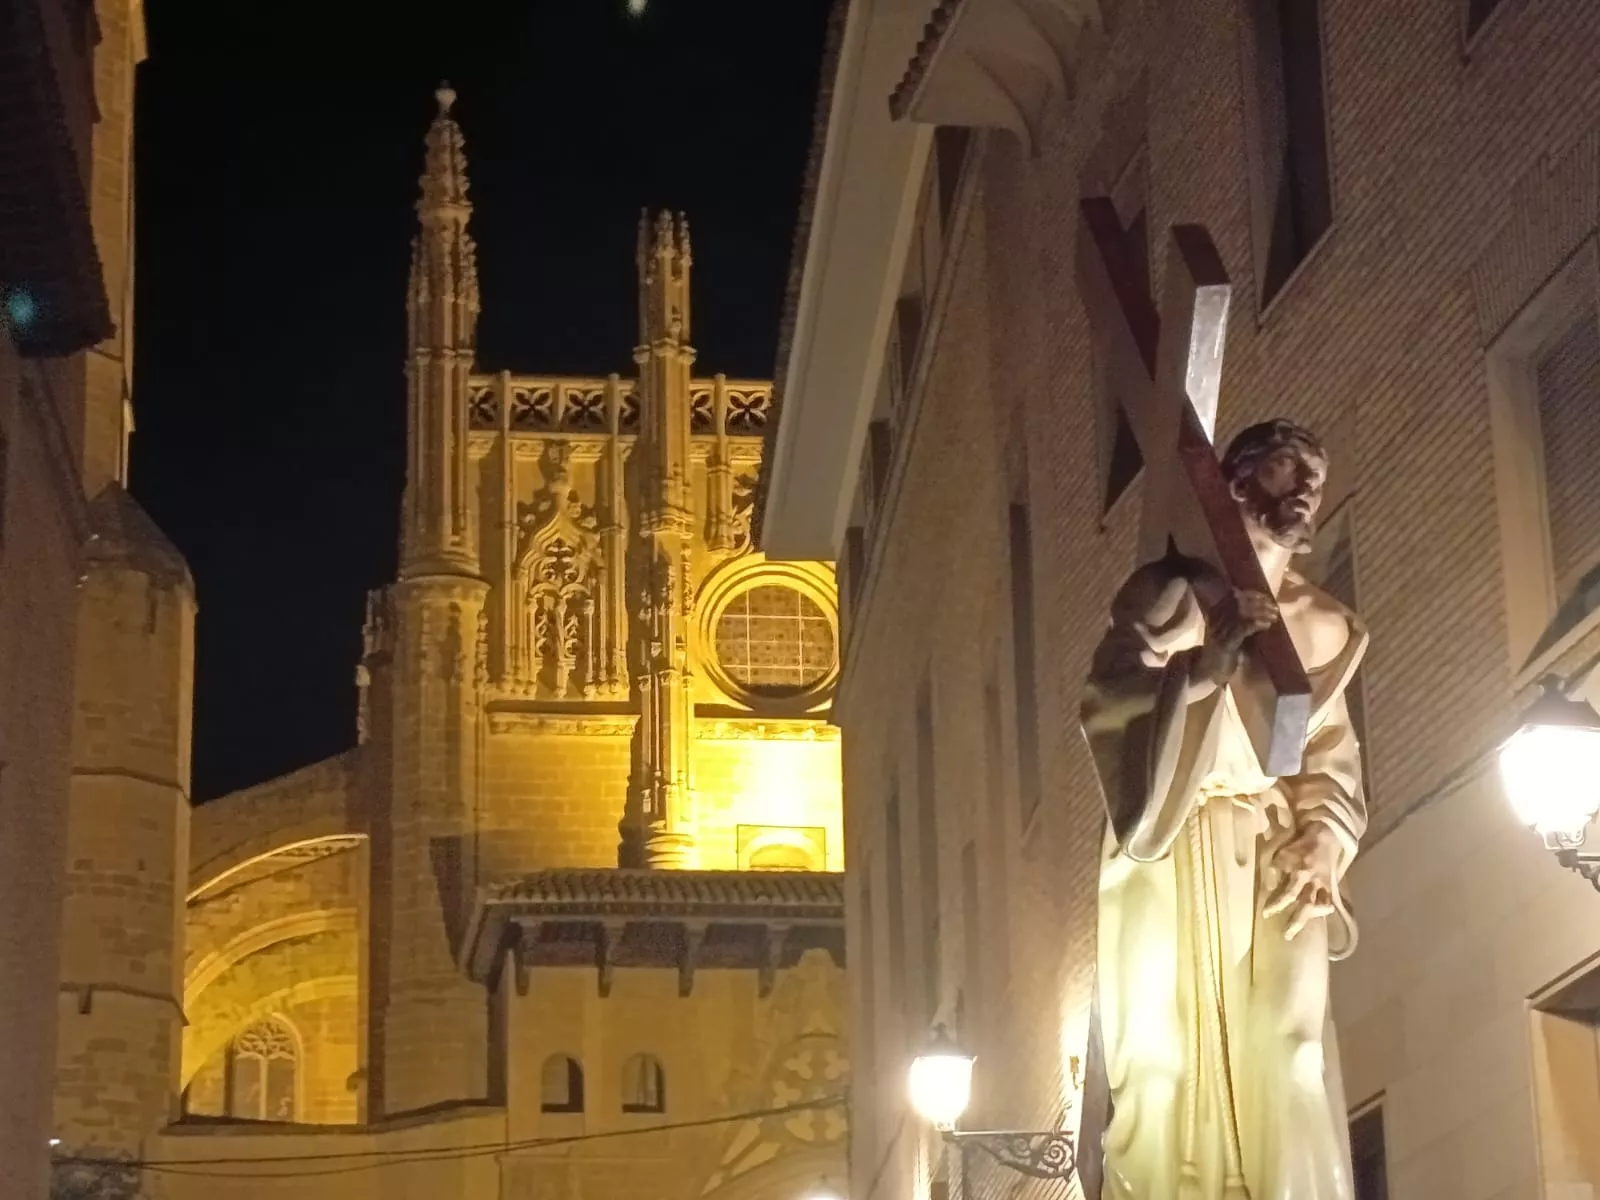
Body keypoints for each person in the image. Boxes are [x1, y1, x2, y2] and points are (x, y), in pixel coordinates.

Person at [1081, 419, 1368, 1200]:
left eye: (1316, 473)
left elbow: (1332, 755)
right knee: (1162, 1059)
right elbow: (1111, 701)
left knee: (1293, 1046)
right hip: (1172, 838)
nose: (1307, 487)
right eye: (1286, 469)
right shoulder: (1169, 593)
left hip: (1275, 858)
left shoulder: (1326, 624)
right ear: (1235, 482)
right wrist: (1204, 673)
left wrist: (1325, 838)